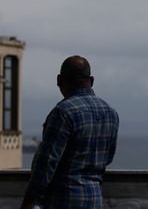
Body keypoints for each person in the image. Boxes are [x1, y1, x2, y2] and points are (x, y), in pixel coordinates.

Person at [21, 55, 119, 209]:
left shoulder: (63, 112)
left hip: (63, 200)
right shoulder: (111, 114)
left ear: (59, 80)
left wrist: (30, 200)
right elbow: (108, 157)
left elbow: (46, 162)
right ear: (91, 81)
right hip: (95, 199)